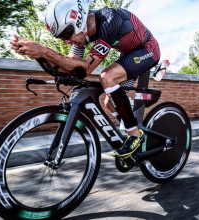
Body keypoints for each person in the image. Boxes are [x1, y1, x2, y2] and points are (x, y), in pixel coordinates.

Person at [10, 0, 160, 158]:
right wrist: (34, 53)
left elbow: (86, 68)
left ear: (79, 21)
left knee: (107, 77)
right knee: (110, 102)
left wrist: (44, 51)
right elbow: (71, 66)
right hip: (129, 54)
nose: (66, 41)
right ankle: (132, 125)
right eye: (62, 37)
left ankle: (135, 135)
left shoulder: (109, 21)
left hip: (148, 49)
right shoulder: (83, 33)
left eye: (66, 34)